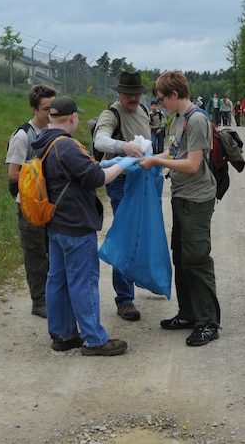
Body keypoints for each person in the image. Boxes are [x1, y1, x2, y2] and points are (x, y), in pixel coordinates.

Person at [33, 96, 138, 356]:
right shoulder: (66, 145)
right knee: (84, 281)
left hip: (56, 223)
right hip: (76, 225)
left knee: (57, 279)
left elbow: (79, 169)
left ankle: (63, 334)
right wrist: (125, 162)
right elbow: (95, 178)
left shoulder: (44, 142)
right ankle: (94, 339)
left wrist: (106, 162)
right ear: (72, 117)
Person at [140, 70, 221, 347]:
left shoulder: (197, 120)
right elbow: (175, 153)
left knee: (197, 258)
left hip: (197, 199)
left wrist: (157, 163)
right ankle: (187, 314)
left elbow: (192, 164)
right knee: (182, 258)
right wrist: (150, 157)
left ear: (175, 95)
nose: (160, 104)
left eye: (162, 99)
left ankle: (208, 322)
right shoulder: (177, 119)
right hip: (180, 196)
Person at [92, 71, 151, 321]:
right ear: (119, 93)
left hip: (142, 181)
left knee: (141, 233)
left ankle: (141, 279)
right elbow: (100, 140)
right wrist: (123, 146)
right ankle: (125, 299)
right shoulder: (111, 114)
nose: (133, 97)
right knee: (125, 236)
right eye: (128, 93)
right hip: (120, 183)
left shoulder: (144, 111)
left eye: (137, 93)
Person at [5, 84, 57, 318]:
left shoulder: (56, 131)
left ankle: (55, 297)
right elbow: (13, 174)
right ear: (34, 109)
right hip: (29, 206)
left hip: (52, 204)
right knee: (35, 255)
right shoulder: (23, 135)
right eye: (46, 109)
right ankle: (40, 301)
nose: (51, 114)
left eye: (53, 108)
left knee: (54, 252)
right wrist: (39, 172)